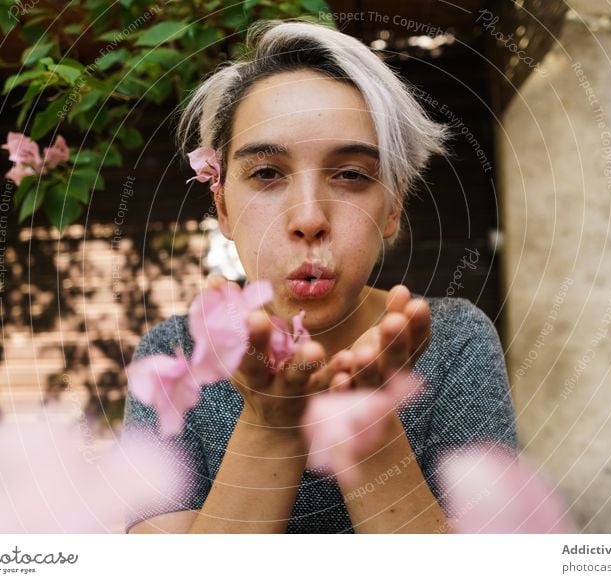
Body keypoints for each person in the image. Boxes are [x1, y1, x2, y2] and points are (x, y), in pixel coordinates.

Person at [123, 18, 517, 534]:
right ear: (221, 205)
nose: (309, 218)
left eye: (352, 174)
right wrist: (271, 421)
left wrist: (367, 428)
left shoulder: (453, 342)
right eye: (266, 173)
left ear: (393, 206)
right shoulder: (174, 355)